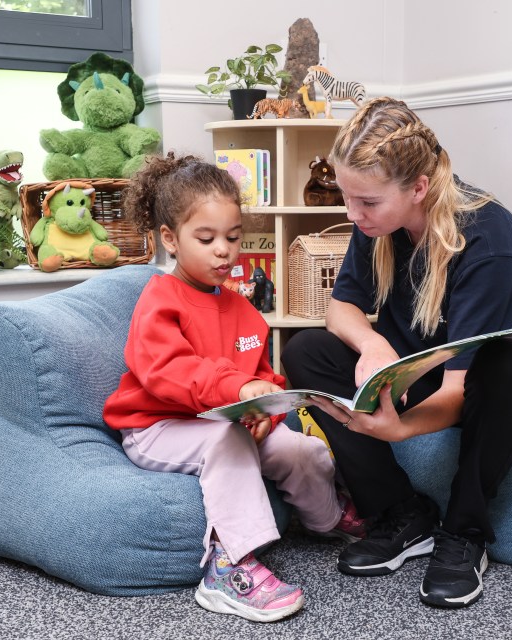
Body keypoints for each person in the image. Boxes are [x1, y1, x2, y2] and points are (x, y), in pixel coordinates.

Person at [281, 98, 512, 609]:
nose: (354, 215)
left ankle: (464, 534)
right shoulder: (378, 225)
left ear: (417, 188)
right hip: (426, 369)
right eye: (349, 199)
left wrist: (399, 428)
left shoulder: (489, 239)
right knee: (307, 350)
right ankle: (402, 514)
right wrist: (372, 342)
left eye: (366, 202)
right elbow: (341, 309)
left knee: (503, 360)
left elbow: (460, 384)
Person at [103, 153, 364, 623]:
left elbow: (265, 376)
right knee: (227, 439)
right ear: (170, 240)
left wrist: (268, 410)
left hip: (233, 424)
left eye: (233, 237)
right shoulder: (159, 300)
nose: (223, 250)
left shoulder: (244, 310)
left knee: (300, 449)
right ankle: (229, 566)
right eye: (206, 239)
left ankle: (327, 520)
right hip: (158, 426)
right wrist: (240, 390)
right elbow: (169, 372)